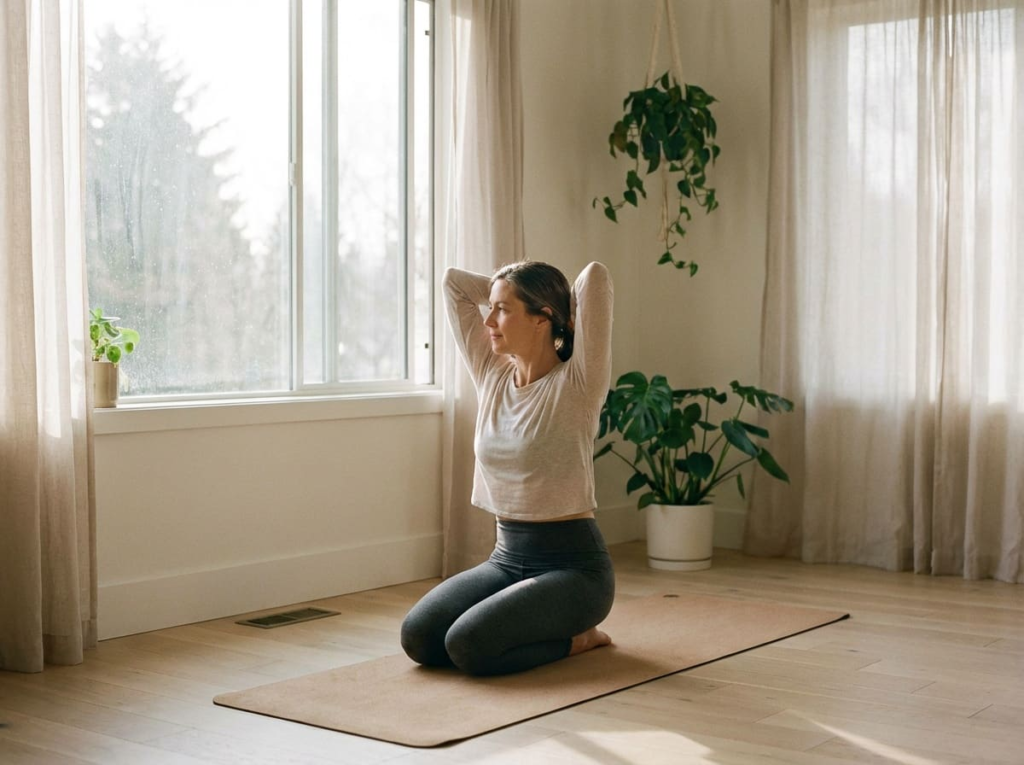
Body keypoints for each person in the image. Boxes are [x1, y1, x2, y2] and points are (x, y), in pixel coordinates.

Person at [400, 260, 615, 676]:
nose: (489, 322)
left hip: (574, 570)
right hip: (505, 559)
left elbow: (594, 278)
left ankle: (579, 638)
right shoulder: (492, 374)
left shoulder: (579, 384)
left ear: (543, 319)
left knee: (469, 646)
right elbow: (453, 284)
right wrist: (506, 291)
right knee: (419, 637)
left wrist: (545, 296)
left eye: (502, 310)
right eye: (490, 308)